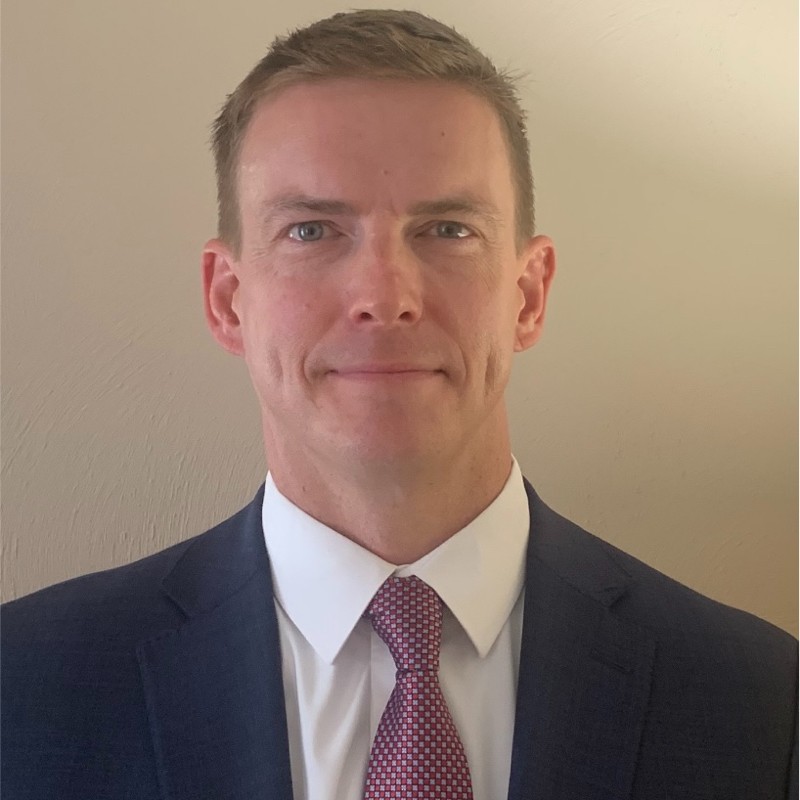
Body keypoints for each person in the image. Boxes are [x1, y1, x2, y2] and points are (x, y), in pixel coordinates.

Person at [1, 9, 796, 800]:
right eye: (312, 231)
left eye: (447, 229)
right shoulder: (26, 687)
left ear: (527, 295)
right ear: (227, 299)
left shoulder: (764, 704)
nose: (385, 296)